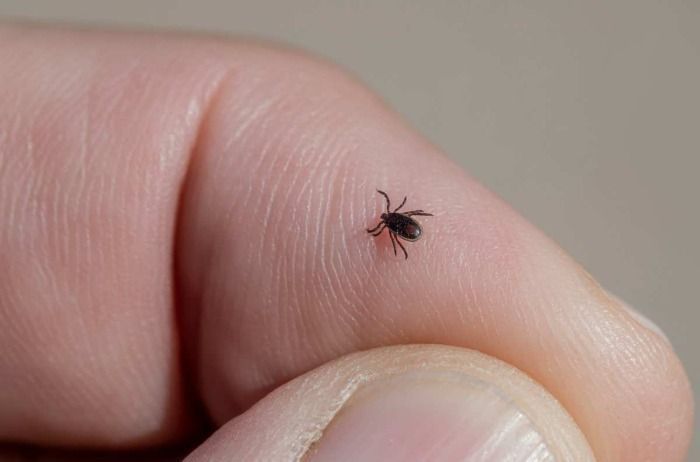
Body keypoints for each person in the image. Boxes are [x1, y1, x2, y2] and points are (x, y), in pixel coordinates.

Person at [0, 24, 692, 461]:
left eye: (393, 225)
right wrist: (400, 232)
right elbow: (402, 219)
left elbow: (396, 219)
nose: (392, 226)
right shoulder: (397, 225)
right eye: (393, 225)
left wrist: (393, 230)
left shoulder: (390, 225)